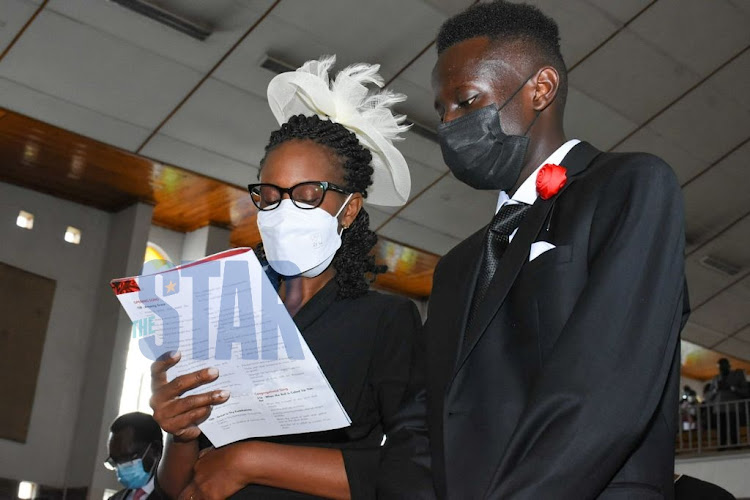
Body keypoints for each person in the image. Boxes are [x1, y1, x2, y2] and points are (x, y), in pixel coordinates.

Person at [381, 1, 690, 498]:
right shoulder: (458, 266)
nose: (448, 124)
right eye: (441, 111)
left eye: (465, 101)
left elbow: (606, 390)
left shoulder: (628, 187)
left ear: (541, 89)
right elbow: (420, 419)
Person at [149, 56, 421, 499]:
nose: (284, 210)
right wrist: (179, 433)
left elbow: (414, 470)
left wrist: (251, 460)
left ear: (348, 210)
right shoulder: (222, 312)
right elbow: (179, 489)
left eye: (308, 194)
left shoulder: (384, 321)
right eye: (271, 195)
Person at [105, 412, 165, 500]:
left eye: (126, 457)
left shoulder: (178, 496)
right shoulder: (114, 499)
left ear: (155, 449)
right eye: (115, 461)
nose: (120, 466)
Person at [705, 358, 749, 447]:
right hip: (719, 408)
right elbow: (708, 396)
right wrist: (715, 390)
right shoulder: (716, 379)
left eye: (723, 366)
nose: (721, 369)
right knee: (721, 428)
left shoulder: (737, 375)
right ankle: (722, 445)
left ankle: (735, 444)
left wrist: (733, 388)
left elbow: (746, 390)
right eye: (720, 367)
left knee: (734, 426)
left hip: (733, 407)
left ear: (728, 366)